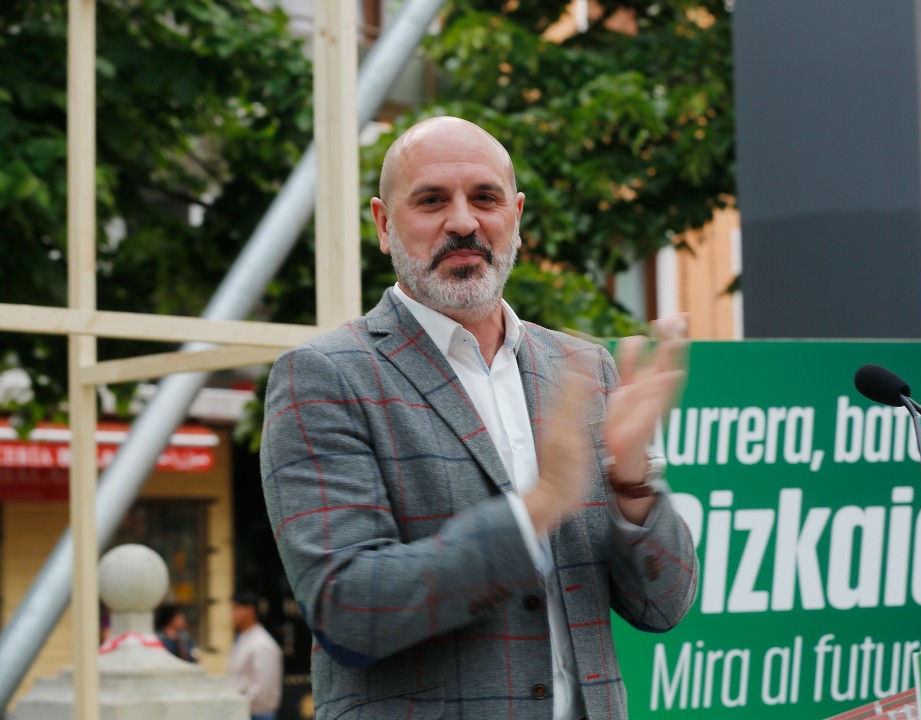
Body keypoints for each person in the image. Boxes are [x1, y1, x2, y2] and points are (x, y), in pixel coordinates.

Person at [260, 115, 698, 720]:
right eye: (432, 200)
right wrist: (538, 507)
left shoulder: (582, 367)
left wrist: (632, 485)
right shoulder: (323, 376)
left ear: (515, 216)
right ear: (384, 225)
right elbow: (349, 611)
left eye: (485, 198)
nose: (463, 222)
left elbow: (663, 606)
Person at [228, 590, 283, 720]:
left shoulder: (262, 643)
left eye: (236, 608)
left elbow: (262, 689)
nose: (232, 614)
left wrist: (239, 705)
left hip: (257, 714)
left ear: (250, 610)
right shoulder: (243, 638)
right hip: (242, 711)